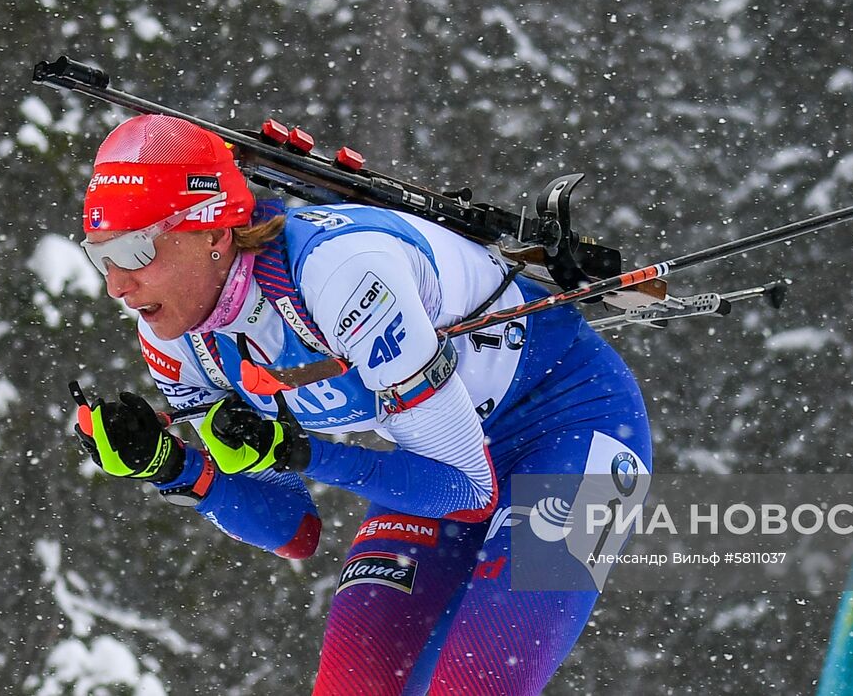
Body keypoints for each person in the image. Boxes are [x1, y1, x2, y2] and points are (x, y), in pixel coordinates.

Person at [69, 113, 652, 695]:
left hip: (579, 429)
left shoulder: (341, 273)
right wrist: (175, 468)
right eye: (102, 255)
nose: (118, 285)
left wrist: (300, 451)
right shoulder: (177, 334)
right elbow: (293, 528)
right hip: (440, 458)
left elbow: (468, 494)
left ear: (215, 234)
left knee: (476, 685)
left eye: (139, 249)